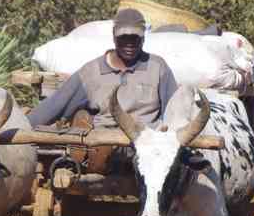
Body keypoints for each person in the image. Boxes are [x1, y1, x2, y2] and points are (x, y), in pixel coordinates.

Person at [26, 8, 178, 130]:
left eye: (135, 37)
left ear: (143, 38)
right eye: (123, 37)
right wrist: (22, 126)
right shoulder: (91, 73)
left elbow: (175, 112)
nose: (129, 43)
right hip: (104, 146)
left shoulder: (157, 68)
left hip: (148, 147)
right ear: (114, 36)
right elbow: (56, 105)